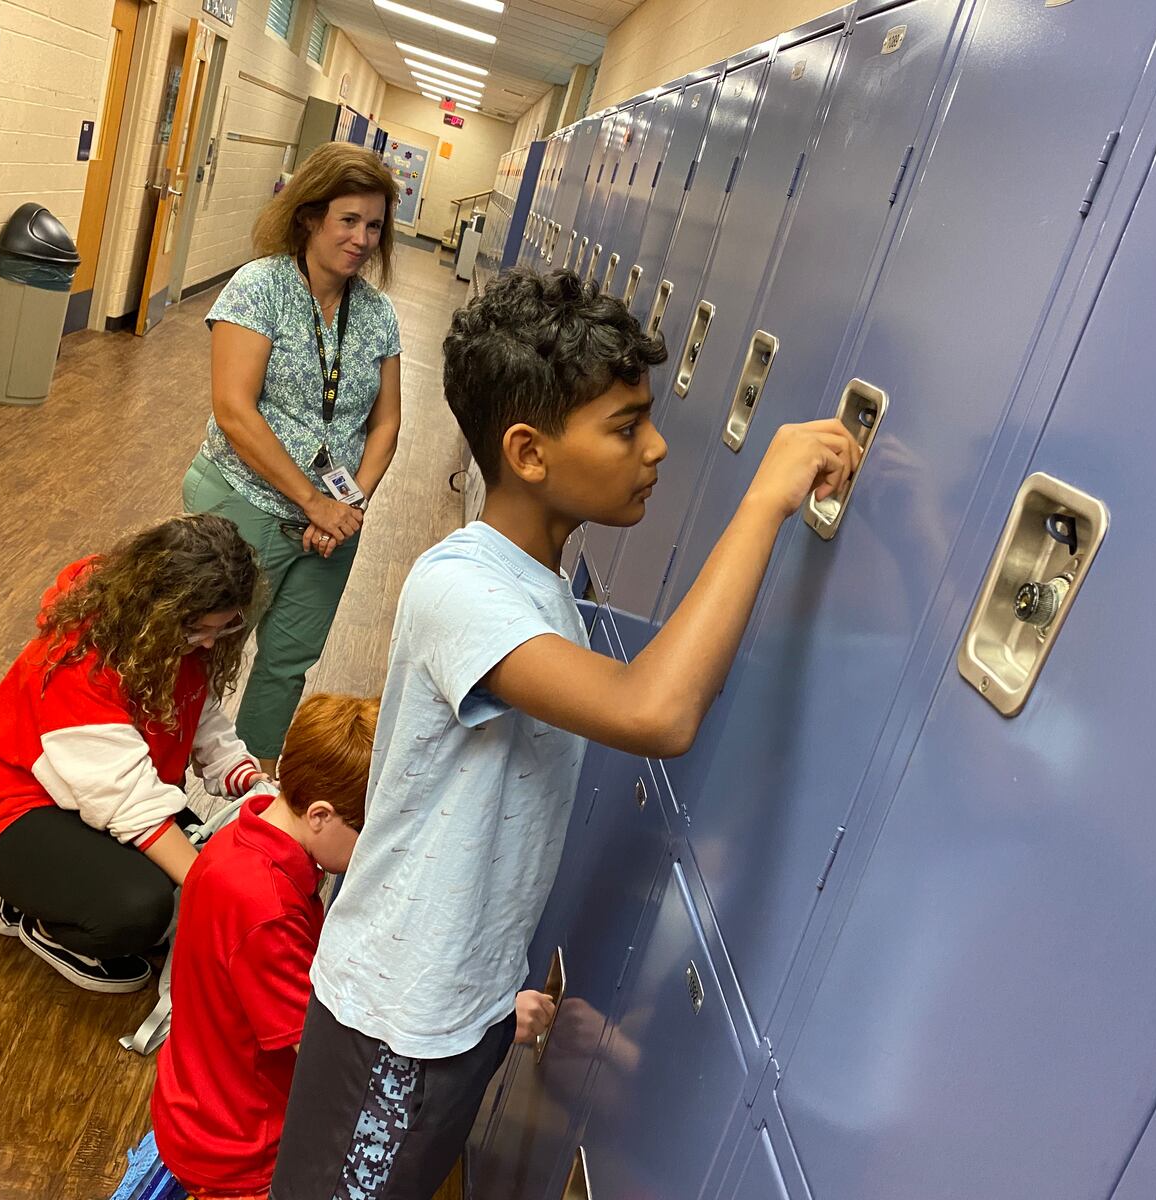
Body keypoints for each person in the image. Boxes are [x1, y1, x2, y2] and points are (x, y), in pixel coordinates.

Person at [269, 269, 862, 1198]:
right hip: (395, 1020)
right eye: (626, 427)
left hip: (457, 1011)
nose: (657, 448)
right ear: (529, 452)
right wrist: (763, 503)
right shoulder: (460, 586)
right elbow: (654, 712)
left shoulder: (541, 585)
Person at [150, 693, 557, 1200]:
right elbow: (329, 1054)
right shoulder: (266, 909)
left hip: (196, 1100)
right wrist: (487, 1022)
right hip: (241, 1148)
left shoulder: (244, 835)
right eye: (371, 832)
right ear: (320, 814)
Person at [0, 513, 267, 994]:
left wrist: (250, 781)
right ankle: (37, 913)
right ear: (161, 608)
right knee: (140, 910)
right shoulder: (81, 661)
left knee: (201, 874)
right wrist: (212, 892)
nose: (210, 642)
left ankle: (54, 888)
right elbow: (126, 799)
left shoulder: (174, 639)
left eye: (222, 628)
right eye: (200, 629)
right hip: (9, 803)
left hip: (89, 792)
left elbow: (201, 714)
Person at [184, 142, 404, 775]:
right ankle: (151, 788)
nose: (362, 239)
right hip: (242, 504)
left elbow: (386, 422)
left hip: (332, 526)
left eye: (374, 227)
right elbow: (234, 409)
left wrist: (347, 504)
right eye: (348, 220)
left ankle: (244, 803)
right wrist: (314, 501)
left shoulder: (377, 314)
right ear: (310, 216)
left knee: (287, 662)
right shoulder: (260, 288)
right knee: (201, 648)